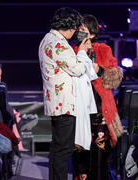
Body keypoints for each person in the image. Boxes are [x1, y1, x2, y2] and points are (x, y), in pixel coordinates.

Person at [38, 7, 97, 180]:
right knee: (63, 151)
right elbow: (78, 69)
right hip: (64, 103)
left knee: (57, 149)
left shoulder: (49, 39)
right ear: (70, 27)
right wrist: (81, 51)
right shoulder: (57, 43)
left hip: (58, 102)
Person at [72, 14, 123, 180]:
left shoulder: (103, 49)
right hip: (79, 108)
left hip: (101, 109)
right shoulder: (72, 50)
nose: (79, 32)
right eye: (78, 29)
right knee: (80, 154)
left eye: (83, 30)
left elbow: (115, 77)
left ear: (92, 33)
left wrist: (99, 69)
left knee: (100, 155)